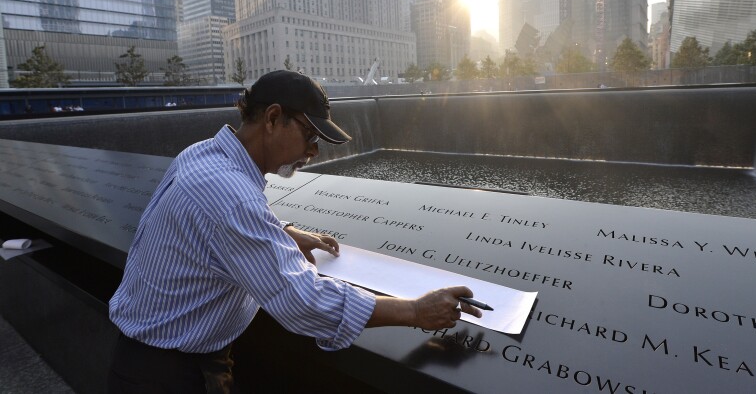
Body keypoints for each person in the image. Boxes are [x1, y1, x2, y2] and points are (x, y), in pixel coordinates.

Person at [107, 70, 480, 392]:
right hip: (173, 375)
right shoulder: (233, 198)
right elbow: (303, 301)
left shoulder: (202, 154)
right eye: (310, 136)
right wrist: (415, 310)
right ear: (272, 118)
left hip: (143, 356)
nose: (313, 152)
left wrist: (281, 230)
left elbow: (216, 222)